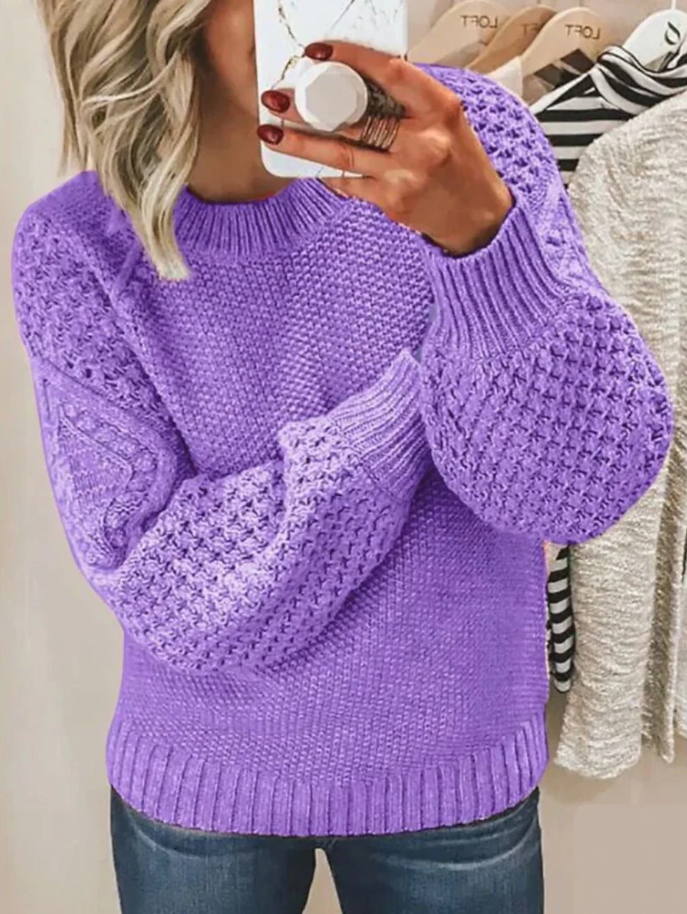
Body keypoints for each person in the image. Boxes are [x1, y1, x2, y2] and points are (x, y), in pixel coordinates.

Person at [10, 1, 675, 912]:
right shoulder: (77, 247)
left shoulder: (473, 146)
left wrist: (482, 242)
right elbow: (166, 583)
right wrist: (409, 406)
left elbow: (574, 492)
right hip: (203, 787)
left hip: (453, 776)